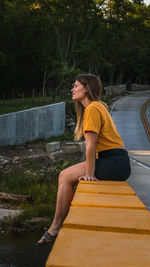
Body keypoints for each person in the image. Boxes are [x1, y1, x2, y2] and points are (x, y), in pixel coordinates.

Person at [37, 74, 131, 245]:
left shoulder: (93, 109)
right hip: (118, 162)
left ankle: (55, 227)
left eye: (75, 86)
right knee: (65, 175)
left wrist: (89, 173)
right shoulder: (99, 106)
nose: (72, 89)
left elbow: (90, 146)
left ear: (86, 88)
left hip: (114, 162)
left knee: (64, 176)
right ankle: (58, 226)